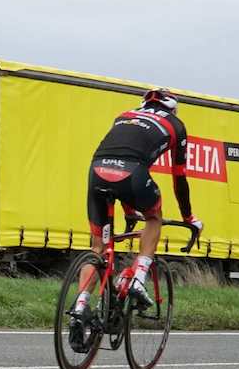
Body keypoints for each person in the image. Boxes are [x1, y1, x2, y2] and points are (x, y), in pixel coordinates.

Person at [71, 89, 202, 331]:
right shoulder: (176, 125)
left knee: (98, 248)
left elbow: (118, 159)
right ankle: (139, 278)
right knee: (154, 218)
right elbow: (179, 178)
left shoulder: (123, 116)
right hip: (133, 173)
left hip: (97, 171)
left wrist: (129, 211)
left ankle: (79, 306)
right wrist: (188, 217)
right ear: (173, 108)